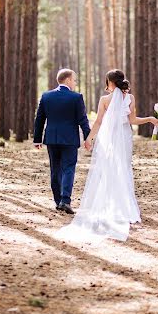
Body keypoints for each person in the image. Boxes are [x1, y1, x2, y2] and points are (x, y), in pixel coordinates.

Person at [57, 69, 158, 243]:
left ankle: (107, 207)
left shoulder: (105, 99)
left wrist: (89, 139)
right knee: (124, 169)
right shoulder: (130, 98)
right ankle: (123, 209)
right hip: (124, 137)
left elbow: (98, 122)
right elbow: (132, 121)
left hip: (109, 138)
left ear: (110, 83)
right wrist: (150, 118)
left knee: (107, 170)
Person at [33, 68, 91, 213]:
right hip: (70, 139)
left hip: (52, 139)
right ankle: (65, 200)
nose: (75, 83)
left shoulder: (46, 96)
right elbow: (82, 120)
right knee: (68, 169)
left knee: (55, 169)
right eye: (74, 80)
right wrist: (87, 137)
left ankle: (58, 200)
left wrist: (37, 139)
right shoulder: (76, 97)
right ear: (67, 80)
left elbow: (39, 119)